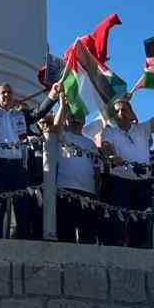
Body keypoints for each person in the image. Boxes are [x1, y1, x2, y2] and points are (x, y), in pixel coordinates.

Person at [87, 88, 154, 250]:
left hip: (142, 183)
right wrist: (111, 157)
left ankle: (140, 252)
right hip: (119, 181)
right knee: (118, 220)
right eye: (117, 111)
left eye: (124, 109)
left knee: (142, 223)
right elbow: (106, 146)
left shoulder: (143, 129)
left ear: (131, 113)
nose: (120, 113)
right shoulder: (109, 131)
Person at [42, 87, 101, 246]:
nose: (76, 120)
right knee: (65, 233)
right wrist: (62, 105)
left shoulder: (90, 143)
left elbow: (97, 170)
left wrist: (97, 192)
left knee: (87, 235)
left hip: (88, 191)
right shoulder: (62, 136)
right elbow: (55, 127)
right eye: (73, 117)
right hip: (65, 189)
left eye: (79, 118)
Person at [0, 81, 38, 240]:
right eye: (3, 93)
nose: (7, 95)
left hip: (19, 166)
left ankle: (21, 244)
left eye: (9, 92)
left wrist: (53, 97)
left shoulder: (21, 115)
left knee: (21, 208)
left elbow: (39, 113)